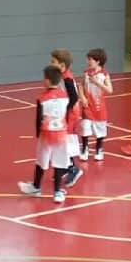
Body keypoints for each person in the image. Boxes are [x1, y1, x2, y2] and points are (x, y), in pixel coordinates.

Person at [18, 65, 72, 202]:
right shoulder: (65, 96)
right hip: (61, 132)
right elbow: (68, 113)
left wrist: (38, 134)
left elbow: (38, 118)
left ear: (47, 81)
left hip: (46, 134)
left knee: (41, 160)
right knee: (60, 162)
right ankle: (57, 192)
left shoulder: (42, 98)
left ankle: (36, 187)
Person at [49, 49, 83, 187]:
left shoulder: (67, 78)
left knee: (65, 142)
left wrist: (65, 111)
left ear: (62, 66)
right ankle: (64, 167)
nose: (50, 64)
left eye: (53, 62)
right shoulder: (60, 76)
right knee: (60, 140)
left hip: (71, 113)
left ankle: (73, 169)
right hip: (66, 112)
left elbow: (74, 97)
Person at [80, 48, 113, 162]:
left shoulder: (104, 74)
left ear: (98, 61)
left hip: (99, 107)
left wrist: (97, 83)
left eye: (90, 59)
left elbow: (110, 90)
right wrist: (82, 97)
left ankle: (99, 148)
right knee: (85, 127)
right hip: (87, 106)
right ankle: (85, 148)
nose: (88, 62)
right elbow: (81, 85)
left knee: (100, 130)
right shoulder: (86, 73)